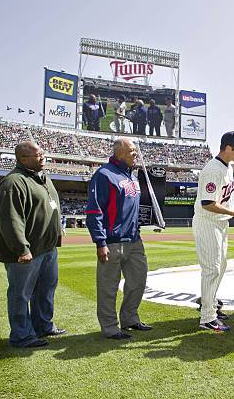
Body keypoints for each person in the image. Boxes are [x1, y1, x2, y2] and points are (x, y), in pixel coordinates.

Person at [0, 141, 65, 348]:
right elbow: (10, 220)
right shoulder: (14, 182)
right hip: (27, 252)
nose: (42, 158)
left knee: (46, 289)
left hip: (47, 248)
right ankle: (21, 335)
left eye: (43, 154)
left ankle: (42, 326)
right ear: (22, 159)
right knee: (20, 293)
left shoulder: (43, 178)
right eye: (37, 155)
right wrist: (21, 249)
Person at [85, 137, 152, 340]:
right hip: (112, 241)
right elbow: (94, 210)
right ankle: (110, 328)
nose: (136, 155)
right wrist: (100, 242)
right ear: (120, 152)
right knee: (108, 287)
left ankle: (130, 318)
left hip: (134, 240)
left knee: (138, 280)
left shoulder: (132, 176)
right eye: (132, 151)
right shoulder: (104, 175)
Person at [193, 131, 234, 332]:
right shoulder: (212, 170)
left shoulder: (226, 167)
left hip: (220, 222)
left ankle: (211, 303)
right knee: (212, 268)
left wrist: (231, 214)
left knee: (221, 265)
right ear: (228, 147)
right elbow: (208, 203)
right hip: (208, 222)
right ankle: (207, 317)